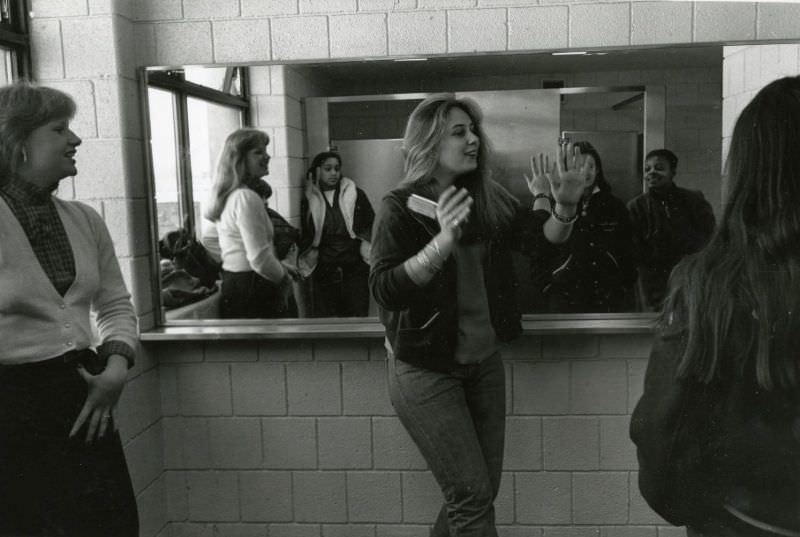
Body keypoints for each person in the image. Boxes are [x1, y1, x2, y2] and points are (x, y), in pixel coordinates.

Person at [369, 93, 587, 537]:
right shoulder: (401, 206)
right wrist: (440, 244)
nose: (473, 140)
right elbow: (385, 289)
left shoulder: (486, 196)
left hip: (483, 364)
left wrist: (563, 207)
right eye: (459, 132)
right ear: (429, 140)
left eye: (474, 131)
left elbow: (540, 242)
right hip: (427, 372)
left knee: (476, 494)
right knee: (471, 498)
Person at [630, 76, 800, 536]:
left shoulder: (711, 279)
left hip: (741, 522)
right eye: (647, 169)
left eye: (659, 169)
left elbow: (666, 440)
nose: (651, 176)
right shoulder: (638, 211)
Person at [0, 82, 139, 536]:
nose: (75, 140)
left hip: (86, 394)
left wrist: (116, 367)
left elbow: (116, 303)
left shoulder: (84, 219)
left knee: (109, 525)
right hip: (13, 405)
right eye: (60, 129)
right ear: (18, 144)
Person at [528, 141, 637, 313]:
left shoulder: (614, 205)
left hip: (607, 293)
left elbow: (628, 249)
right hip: (562, 293)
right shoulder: (555, 204)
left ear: (598, 170)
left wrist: (622, 286)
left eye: (591, 166)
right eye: (579, 166)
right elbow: (538, 250)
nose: (585, 172)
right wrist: (546, 286)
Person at [204, 128, 299, 318]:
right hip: (255, 289)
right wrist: (284, 280)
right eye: (258, 152)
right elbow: (259, 260)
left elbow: (241, 252)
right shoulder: (246, 198)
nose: (267, 156)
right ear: (239, 159)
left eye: (266, 150)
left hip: (237, 284)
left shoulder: (231, 196)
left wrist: (281, 266)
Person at [627, 148, 715, 310]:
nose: (652, 172)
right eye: (647, 169)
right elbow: (633, 249)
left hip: (688, 278)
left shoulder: (693, 200)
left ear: (673, 172)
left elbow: (709, 238)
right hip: (651, 284)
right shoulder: (636, 207)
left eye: (659, 167)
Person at [298, 151, 374, 317]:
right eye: (328, 169)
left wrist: (365, 242)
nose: (333, 173)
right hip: (325, 264)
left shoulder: (355, 194)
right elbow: (306, 232)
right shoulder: (310, 198)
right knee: (328, 317)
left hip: (354, 262)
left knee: (356, 313)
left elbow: (371, 223)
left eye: (337, 169)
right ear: (317, 171)